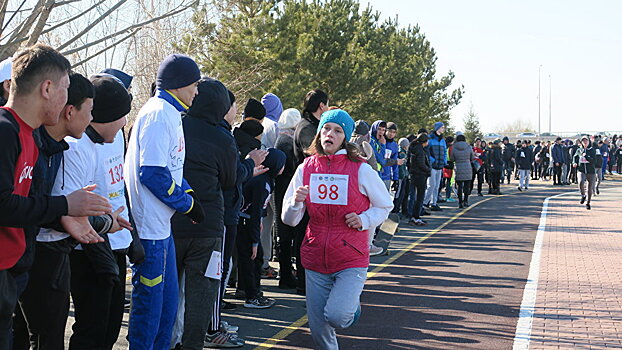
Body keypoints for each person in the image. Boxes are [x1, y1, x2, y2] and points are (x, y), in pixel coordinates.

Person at [0, 45, 111, 350]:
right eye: (65, 88)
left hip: (13, 272)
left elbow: (28, 205)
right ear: (47, 88)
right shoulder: (5, 131)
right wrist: (65, 206)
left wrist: (62, 216)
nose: (67, 99)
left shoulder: (30, 136)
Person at [282, 109, 393, 349]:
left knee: (337, 316)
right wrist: (296, 202)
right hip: (314, 256)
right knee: (318, 324)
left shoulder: (361, 169)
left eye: (338, 130)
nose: (330, 134)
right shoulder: (305, 168)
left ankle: (351, 308)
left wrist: (363, 220)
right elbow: (289, 219)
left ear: (346, 138)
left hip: (350, 256)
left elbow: (385, 205)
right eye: (326, 128)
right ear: (319, 132)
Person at [125, 54, 204, 350]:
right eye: (194, 84)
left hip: (163, 229)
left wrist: (188, 192)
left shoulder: (170, 113)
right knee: (149, 314)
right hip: (150, 233)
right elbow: (153, 173)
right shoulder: (158, 113)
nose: (196, 91)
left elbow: (170, 168)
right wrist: (187, 204)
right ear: (179, 83)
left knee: (166, 311)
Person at [48, 75, 134, 350]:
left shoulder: (111, 139)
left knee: (108, 329)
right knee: (91, 330)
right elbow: (72, 210)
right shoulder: (76, 146)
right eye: (121, 116)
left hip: (111, 241)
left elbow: (119, 189)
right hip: (84, 251)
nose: (124, 123)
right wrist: (105, 222)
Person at [169, 78, 241, 349]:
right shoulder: (223, 138)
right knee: (202, 295)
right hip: (208, 226)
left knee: (167, 293)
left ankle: (166, 342)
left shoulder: (174, 125)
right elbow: (229, 180)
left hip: (172, 220)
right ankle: (192, 344)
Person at [217, 89, 267, 335]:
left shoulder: (226, 135)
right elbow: (231, 175)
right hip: (223, 213)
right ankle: (212, 325)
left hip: (225, 211)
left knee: (220, 268)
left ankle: (211, 320)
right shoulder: (221, 136)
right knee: (220, 268)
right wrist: (250, 164)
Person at [291, 89, 329, 295]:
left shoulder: (311, 126)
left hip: (314, 189)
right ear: (321, 106)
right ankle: (303, 282)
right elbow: (312, 153)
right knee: (305, 235)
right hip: (306, 191)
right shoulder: (307, 127)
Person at [238, 148, 286, 308]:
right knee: (252, 259)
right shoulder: (262, 183)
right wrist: (254, 242)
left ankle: (251, 291)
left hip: (248, 222)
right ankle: (251, 296)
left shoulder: (266, 180)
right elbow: (255, 211)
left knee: (254, 259)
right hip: (245, 223)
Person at [274, 108, 302, 290]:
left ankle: (286, 274)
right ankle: (289, 275)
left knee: (282, 235)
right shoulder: (289, 142)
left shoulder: (280, 139)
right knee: (291, 236)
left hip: (280, 192)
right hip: (289, 192)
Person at [408, 133, 431, 226]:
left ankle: (413, 216)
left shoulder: (413, 148)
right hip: (420, 175)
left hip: (414, 174)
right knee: (420, 197)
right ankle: (416, 217)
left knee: (414, 196)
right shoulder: (420, 150)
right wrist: (428, 169)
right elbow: (421, 164)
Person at [424, 122, 447, 211]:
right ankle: (426, 202)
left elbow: (444, 151)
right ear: (437, 128)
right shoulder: (430, 139)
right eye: (442, 127)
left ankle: (434, 202)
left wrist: (444, 161)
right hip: (432, 166)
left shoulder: (442, 140)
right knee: (431, 185)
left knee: (437, 185)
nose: (443, 129)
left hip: (440, 165)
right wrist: (432, 160)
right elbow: (426, 151)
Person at [450, 134, 474, 208]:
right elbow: (472, 157)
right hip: (467, 167)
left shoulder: (454, 147)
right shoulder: (469, 147)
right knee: (467, 186)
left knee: (459, 186)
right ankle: (466, 201)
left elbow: (452, 159)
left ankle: (460, 202)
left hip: (458, 167)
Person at [573, 136, 596, 210]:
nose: (585, 142)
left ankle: (588, 203)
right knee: (580, 182)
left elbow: (594, 161)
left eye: (586, 141)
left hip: (591, 171)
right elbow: (575, 157)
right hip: (581, 169)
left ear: (589, 142)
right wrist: (574, 163)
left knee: (590, 188)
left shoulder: (592, 150)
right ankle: (583, 195)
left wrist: (587, 157)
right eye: (583, 141)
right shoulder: (579, 150)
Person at [392, 137, 410, 216]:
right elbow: (402, 166)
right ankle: (395, 210)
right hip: (400, 175)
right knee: (399, 193)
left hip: (403, 175)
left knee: (401, 193)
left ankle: (397, 209)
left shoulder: (403, 152)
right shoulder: (401, 153)